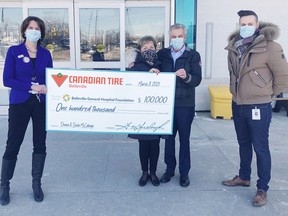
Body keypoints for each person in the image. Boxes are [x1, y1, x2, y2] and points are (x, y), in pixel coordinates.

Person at [222, 10, 288, 207]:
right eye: (243, 24)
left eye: (249, 23)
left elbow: (283, 75)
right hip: (238, 103)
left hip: (259, 105)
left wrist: (267, 93)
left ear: (257, 25)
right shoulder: (235, 47)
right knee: (243, 143)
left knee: (260, 148)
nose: (246, 27)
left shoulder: (271, 47)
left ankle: (262, 188)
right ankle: (243, 176)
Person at [0, 16, 53, 205]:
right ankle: (4, 185)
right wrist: (32, 86)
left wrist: (46, 87)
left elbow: (51, 78)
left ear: (41, 32)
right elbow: (8, 80)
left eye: (37, 28)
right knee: (13, 144)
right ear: (24, 30)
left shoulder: (46, 54)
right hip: (20, 103)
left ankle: (36, 183)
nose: (34, 30)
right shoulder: (14, 52)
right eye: (30, 27)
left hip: (40, 105)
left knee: (40, 144)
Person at [156, 23, 202, 187]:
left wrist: (187, 76)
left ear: (185, 37)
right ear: (170, 37)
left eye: (180, 36)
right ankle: (169, 170)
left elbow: (197, 80)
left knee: (184, 139)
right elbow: (154, 70)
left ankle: (184, 173)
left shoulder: (193, 55)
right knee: (169, 139)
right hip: (167, 104)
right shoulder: (162, 54)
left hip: (185, 104)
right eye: (174, 36)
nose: (177, 39)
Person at [126, 36, 162, 187]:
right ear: (140, 51)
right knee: (143, 144)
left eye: (151, 48)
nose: (148, 51)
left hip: (157, 111)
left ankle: (153, 172)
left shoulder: (162, 64)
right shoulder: (135, 66)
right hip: (141, 112)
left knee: (155, 143)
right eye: (145, 48)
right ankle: (144, 172)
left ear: (156, 49)